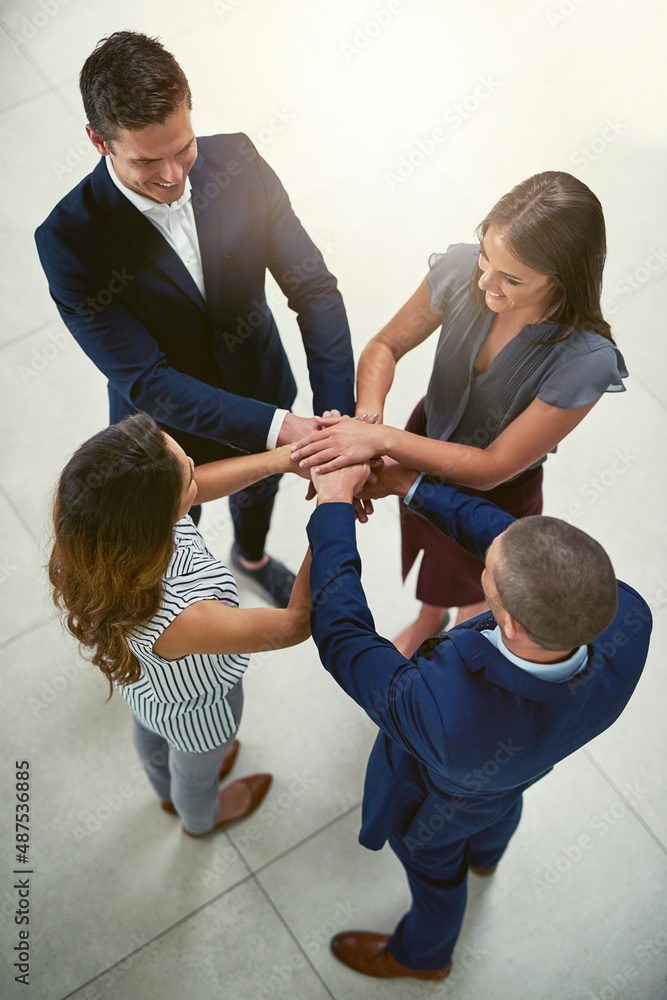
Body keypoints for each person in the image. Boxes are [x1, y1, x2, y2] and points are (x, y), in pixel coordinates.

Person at [35, 30, 355, 609]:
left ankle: (250, 556)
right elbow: (149, 380)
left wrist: (337, 422)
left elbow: (314, 289)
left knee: (258, 496)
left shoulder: (239, 160)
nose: (174, 177)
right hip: (163, 433)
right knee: (167, 536)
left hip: (262, 383)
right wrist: (282, 429)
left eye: (183, 148)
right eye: (146, 161)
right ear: (97, 141)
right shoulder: (69, 242)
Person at [305, 459, 651, 979]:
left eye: (486, 569)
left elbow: (343, 636)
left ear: (508, 622)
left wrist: (333, 508)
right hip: (518, 771)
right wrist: (409, 484)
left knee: (435, 872)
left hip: (439, 807)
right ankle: (488, 856)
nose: (485, 558)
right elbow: (514, 544)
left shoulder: (445, 711)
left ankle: (425, 956)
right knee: (500, 804)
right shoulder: (627, 614)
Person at [291, 171, 627, 652]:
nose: (485, 281)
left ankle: (456, 627)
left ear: (564, 277)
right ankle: (429, 618)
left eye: (511, 278)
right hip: (420, 439)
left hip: (493, 495)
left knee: (475, 581)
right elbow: (385, 345)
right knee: (431, 557)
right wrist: (366, 425)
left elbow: (492, 468)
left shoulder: (585, 361)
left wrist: (381, 443)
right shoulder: (463, 269)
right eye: (485, 258)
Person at [49, 413, 312, 837]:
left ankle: (165, 790)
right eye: (189, 471)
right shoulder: (181, 614)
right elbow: (296, 623)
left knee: (150, 733)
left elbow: (195, 487)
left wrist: (280, 460)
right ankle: (199, 818)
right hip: (199, 711)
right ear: (160, 514)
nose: (195, 467)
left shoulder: (99, 534)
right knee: (196, 774)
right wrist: (329, 517)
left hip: (147, 688)